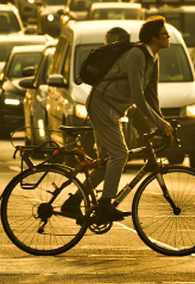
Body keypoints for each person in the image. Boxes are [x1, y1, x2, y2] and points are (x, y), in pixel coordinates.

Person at [61, 16, 174, 222]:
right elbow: (137, 97)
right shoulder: (137, 55)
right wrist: (158, 123)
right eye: (165, 34)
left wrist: (162, 122)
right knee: (120, 154)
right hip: (102, 105)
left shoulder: (153, 58)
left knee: (106, 163)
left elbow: (151, 94)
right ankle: (105, 205)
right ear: (153, 38)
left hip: (112, 109)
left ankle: (73, 202)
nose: (168, 37)